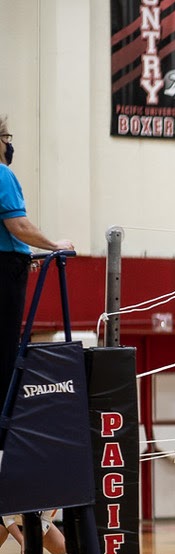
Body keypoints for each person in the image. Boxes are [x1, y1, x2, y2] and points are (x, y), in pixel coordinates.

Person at [0, 116, 74, 400]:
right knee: (7, 348)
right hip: (6, 273)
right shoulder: (3, 175)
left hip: (11, 261)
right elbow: (18, 225)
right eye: (7, 139)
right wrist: (53, 244)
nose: (10, 145)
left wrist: (24, 252)